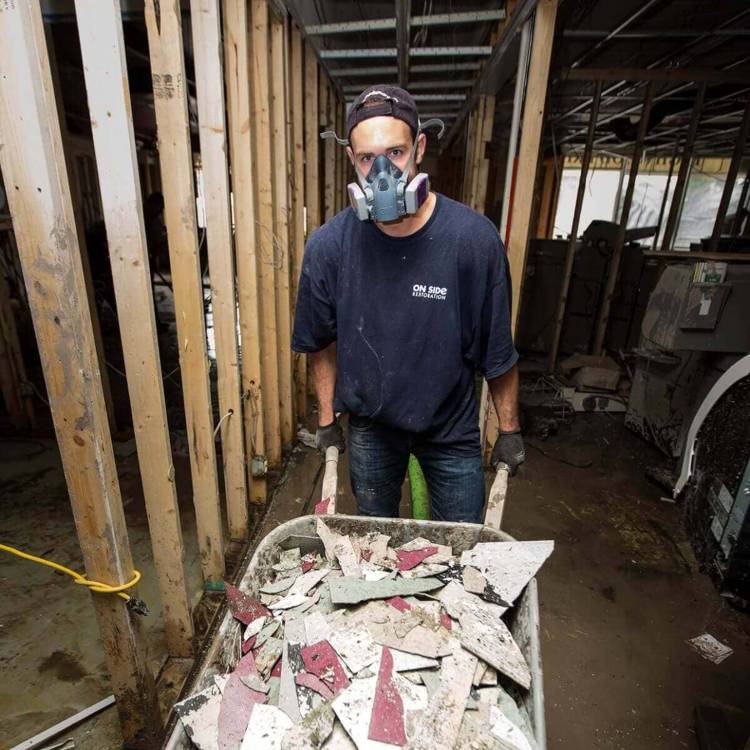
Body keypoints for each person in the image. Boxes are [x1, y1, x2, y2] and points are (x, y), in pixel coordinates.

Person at [292, 85, 524, 523]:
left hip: (451, 429)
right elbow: (319, 342)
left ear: (419, 148)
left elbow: (497, 350)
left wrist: (508, 430)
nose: (382, 173)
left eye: (395, 153)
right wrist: (327, 418)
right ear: (353, 161)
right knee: (374, 542)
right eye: (366, 159)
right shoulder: (329, 247)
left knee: (458, 550)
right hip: (372, 428)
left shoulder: (472, 241)